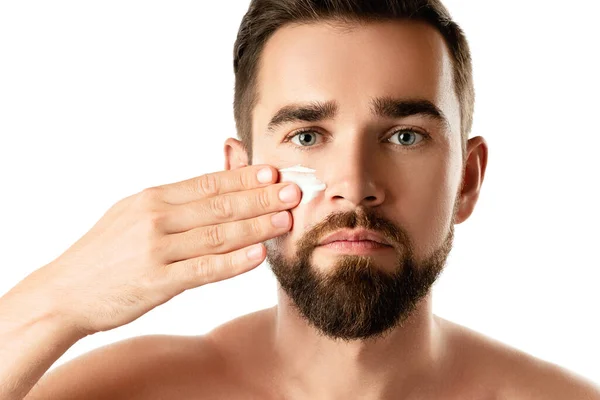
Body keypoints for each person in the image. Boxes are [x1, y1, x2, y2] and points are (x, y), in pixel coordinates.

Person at [1, 0, 599, 399]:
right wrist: (56, 300)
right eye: (307, 136)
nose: (355, 182)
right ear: (241, 173)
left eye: (405, 136)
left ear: (467, 180)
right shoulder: (131, 392)